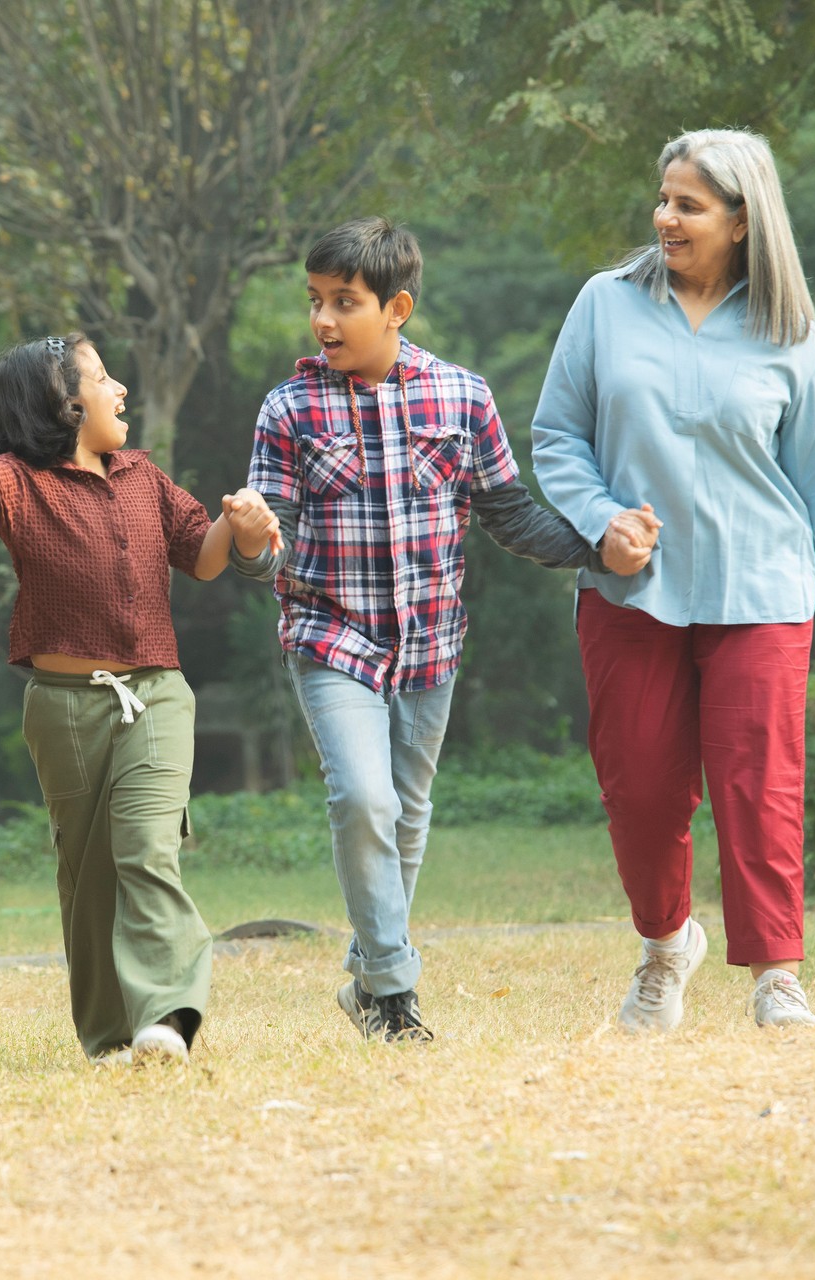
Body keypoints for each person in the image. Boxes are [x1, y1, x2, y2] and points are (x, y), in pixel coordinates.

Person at [229, 216, 656, 1043]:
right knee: (363, 798)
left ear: (398, 308)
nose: (322, 321)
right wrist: (251, 536)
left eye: (343, 303)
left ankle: (367, 973)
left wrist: (600, 549)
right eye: (315, 301)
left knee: (407, 812)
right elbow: (267, 546)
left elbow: (510, 514)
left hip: (430, 643)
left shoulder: (461, 397)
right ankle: (393, 994)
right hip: (329, 636)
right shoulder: (288, 406)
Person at [530, 128, 815, 1034]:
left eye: (688, 205)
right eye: (662, 199)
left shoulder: (789, 329)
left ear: (742, 221)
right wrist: (601, 522)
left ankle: (777, 976)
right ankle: (666, 947)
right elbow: (556, 438)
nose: (665, 217)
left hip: (763, 589)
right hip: (631, 596)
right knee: (642, 790)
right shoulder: (605, 304)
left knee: (760, 785)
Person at [0, 334, 279, 1066]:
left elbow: (202, 552)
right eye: (103, 378)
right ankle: (108, 1038)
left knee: (147, 849)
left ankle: (170, 1015)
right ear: (65, 404)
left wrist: (243, 527)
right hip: (63, 709)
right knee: (87, 873)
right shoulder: (18, 485)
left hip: (157, 696)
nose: (120, 388)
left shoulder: (143, 477)